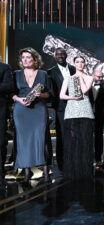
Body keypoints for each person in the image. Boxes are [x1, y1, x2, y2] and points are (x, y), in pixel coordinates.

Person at [12, 47, 52, 182]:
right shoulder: (16, 74)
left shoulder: (43, 74)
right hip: (21, 110)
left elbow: (49, 94)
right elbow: (11, 93)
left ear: (35, 60)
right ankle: (26, 172)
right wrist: (18, 99)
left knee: (41, 139)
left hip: (39, 110)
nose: (25, 60)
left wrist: (41, 94)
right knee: (23, 141)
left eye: (28, 57)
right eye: (23, 57)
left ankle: (46, 172)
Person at [59, 56, 94, 180]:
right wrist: (72, 98)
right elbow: (61, 95)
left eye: (82, 62)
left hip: (85, 111)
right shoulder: (68, 78)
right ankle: (72, 171)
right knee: (72, 142)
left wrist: (80, 77)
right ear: (74, 64)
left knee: (85, 142)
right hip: (71, 111)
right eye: (77, 62)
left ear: (85, 64)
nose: (80, 64)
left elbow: (84, 90)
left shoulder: (89, 77)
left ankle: (85, 172)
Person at [47, 47, 75, 171]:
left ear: (66, 55)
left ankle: (74, 161)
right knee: (62, 136)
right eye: (57, 54)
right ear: (54, 56)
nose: (60, 56)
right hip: (60, 108)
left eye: (62, 54)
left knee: (74, 135)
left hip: (75, 107)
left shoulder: (74, 69)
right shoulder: (50, 72)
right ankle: (62, 164)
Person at [89, 66, 104, 165]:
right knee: (86, 137)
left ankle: (98, 159)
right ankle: (87, 158)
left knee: (98, 137)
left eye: (101, 77)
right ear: (92, 75)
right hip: (87, 115)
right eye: (98, 77)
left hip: (99, 116)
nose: (100, 79)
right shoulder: (86, 85)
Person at [0, 62, 15, 188]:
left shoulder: (4, 67)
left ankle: (0, 173)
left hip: (0, 110)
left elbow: (9, 86)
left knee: (1, 142)